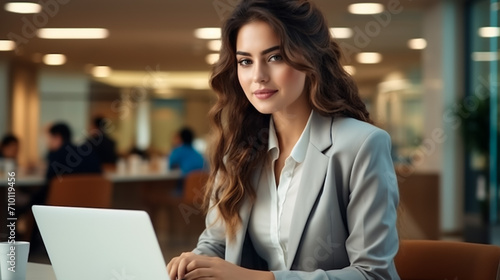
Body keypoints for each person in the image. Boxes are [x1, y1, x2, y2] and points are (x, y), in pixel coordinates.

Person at [167, 0, 400, 279]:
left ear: (309, 58)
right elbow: (216, 242)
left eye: (275, 57)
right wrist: (194, 262)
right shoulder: (238, 150)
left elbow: (373, 274)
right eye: (245, 61)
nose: (258, 76)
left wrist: (259, 279)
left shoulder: (362, 145)